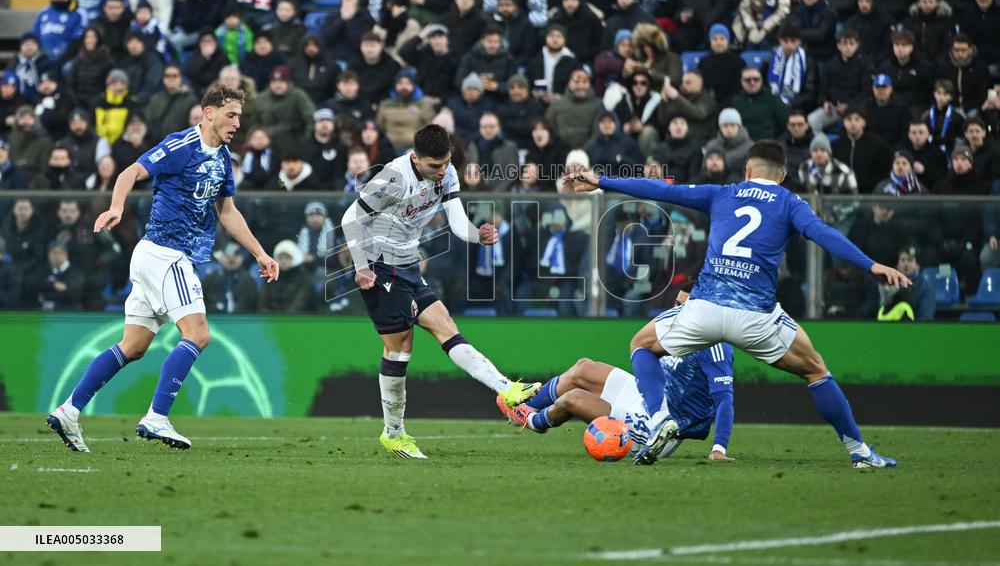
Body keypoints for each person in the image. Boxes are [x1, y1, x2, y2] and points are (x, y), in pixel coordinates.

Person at [565, 139, 908, 467]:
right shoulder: (790, 202)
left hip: (705, 309)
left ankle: (659, 419)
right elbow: (823, 234)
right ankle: (860, 451)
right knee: (816, 370)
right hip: (756, 317)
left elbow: (663, 190)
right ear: (782, 175)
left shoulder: (723, 193)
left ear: (746, 170)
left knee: (641, 344)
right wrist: (872, 264)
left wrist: (602, 180)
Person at [46, 86, 279, 453]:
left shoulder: (222, 158)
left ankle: (69, 410)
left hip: (158, 258)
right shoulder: (181, 145)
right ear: (208, 113)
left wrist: (260, 254)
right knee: (198, 334)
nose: (237, 122)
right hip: (165, 254)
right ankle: (157, 416)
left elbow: (227, 212)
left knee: (133, 346)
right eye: (231, 114)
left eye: (239, 116)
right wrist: (117, 208)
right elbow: (129, 173)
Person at [340, 124, 540, 458]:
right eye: (434, 166)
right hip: (377, 265)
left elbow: (458, 223)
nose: (442, 171)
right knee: (400, 349)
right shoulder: (393, 178)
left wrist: (479, 235)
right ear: (415, 158)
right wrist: (360, 265)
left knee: (445, 323)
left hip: (407, 264)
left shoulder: (447, 176)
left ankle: (505, 389)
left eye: (446, 163)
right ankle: (394, 433)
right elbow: (350, 218)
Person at [502, 281, 735, 460]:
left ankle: (534, 421)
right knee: (584, 367)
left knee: (572, 399)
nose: (677, 310)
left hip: (660, 426)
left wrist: (719, 448)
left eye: (684, 306)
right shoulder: (672, 328)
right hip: (645, 397)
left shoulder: (714, 344)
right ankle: (526, 406)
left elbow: (724, 397)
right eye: (676, 303)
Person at [32, 0, 86, 64]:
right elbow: (34, 37)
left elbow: (76, 42)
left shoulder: (77, 15)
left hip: (66, 59)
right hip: (43, 58)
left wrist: (62, 60)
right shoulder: (43, 13)